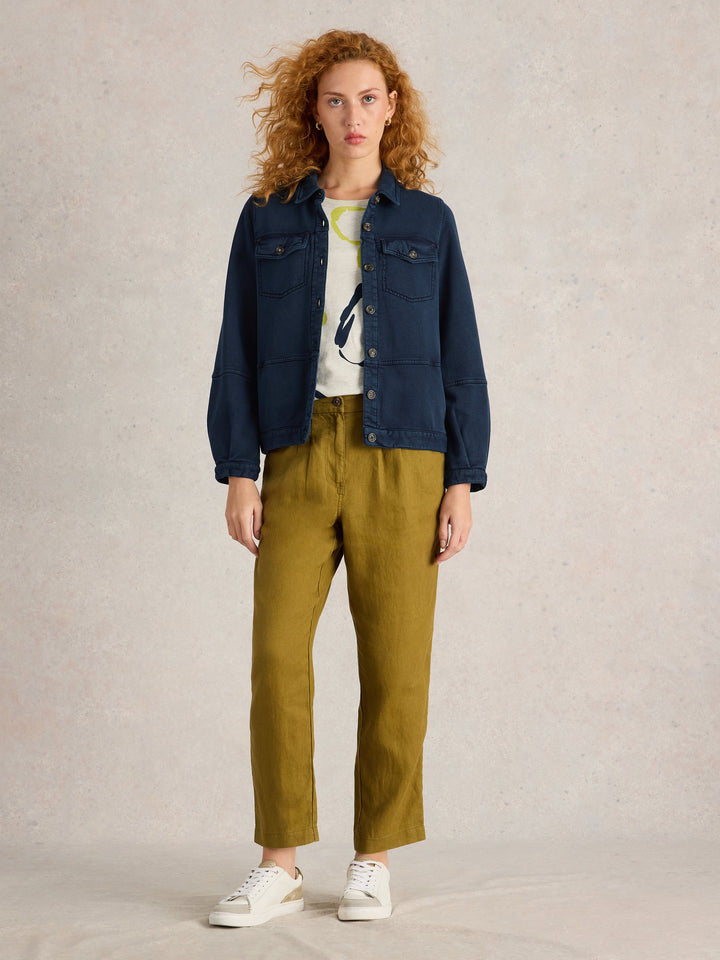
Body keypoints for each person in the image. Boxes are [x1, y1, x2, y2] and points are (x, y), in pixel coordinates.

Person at [206, 29, 490, 927]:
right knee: (275, 656)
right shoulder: (268, 219)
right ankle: (280, 863)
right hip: (297, 448)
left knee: (397, 664)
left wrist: (462, 478)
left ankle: (373, 859)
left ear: (392, 109)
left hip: (404, 454)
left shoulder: (428, 222)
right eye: (335, 99)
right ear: (313, 111)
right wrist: (238, 468)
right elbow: (237, 346)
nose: (353, 115)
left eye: (368, 98)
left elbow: (460, 353)